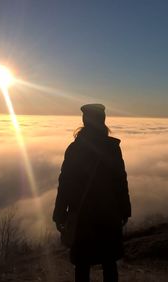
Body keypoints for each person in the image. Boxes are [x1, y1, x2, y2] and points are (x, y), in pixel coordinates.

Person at [53, 104, 131, 282]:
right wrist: (125, 209)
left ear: (85, 121)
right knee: (109, 263)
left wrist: (59, 214)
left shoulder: (74, 149)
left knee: (82, 264)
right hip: (108, 213)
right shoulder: (112, 148)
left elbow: (65, 183)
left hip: (82, 215)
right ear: (103, 121)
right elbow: (120, 180)